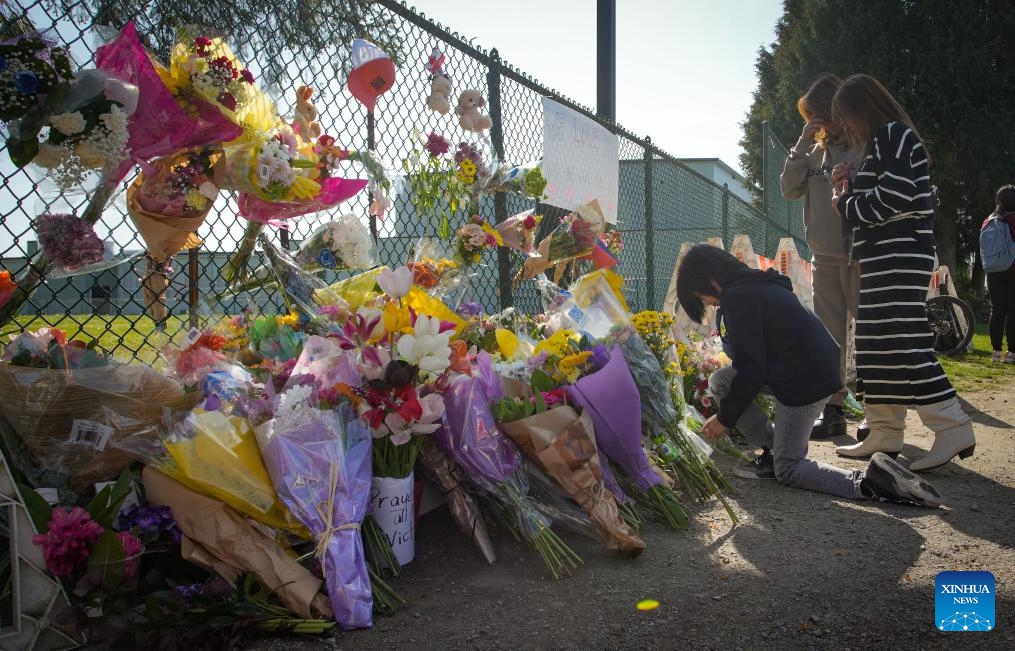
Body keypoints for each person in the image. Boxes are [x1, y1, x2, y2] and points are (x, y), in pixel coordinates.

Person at [676, 243, 943, 507]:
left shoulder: (738, 297)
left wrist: (724, 419)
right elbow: (753, 362)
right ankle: (773, 451)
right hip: (811, 369)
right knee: (721, 380)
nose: (708, 303)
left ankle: (870, 483)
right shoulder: (757, 285)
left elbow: (752, 368)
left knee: (789, 469)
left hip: (804, 382)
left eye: (701, 297)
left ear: (710, 278)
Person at [830, 74, 975, 471]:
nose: (844, 126)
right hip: (886, 255)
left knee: (902, 336)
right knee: (875, 340)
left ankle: (952, 425)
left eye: (846, 116)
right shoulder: (885, 142)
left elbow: (890, 200)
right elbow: (885, 195)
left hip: (899, 254)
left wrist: (845, 201)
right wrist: (853, 183)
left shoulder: (893, 135)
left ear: (864, 108)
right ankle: (884, 429)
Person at [780, 73, 864, 440]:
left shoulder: (863, 145)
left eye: (819, 114)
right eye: (809, 117)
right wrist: (801, 142)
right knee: (830, 337)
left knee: (870, 333)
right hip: (824, 257)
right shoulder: (812, 151)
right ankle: (833, 411)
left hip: (861, 255)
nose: (816, 122)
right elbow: (788, 189)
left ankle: (878, 413)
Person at [981, 184, 1015, 363]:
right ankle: (1011, 353)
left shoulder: (988, 220)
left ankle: (995, 352)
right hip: (1012, 270)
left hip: (992, 270)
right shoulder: (1013, 220)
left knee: (997, 310)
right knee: (1012, 311)